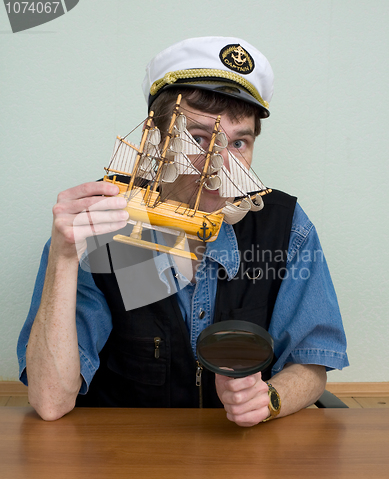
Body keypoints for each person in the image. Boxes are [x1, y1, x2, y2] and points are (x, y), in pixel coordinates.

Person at [17, 36, 348, 425]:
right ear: (156, 140)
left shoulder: (285, 225)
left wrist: (268, 399)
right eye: (198, 139)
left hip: (239, 459)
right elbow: (51, 401)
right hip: (120, 458)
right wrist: (64, 257)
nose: (218, 168)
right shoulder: (101, 224)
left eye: (238, 142)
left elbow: (312, 361)